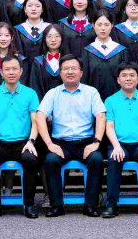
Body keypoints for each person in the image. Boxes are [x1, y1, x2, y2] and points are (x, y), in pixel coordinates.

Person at [37, 55, 106, 216]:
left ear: (81, 73)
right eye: (66, 69)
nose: (70, 72)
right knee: (51, 160)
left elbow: (101, 116)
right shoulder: (53, 93)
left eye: (74, 68)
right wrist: (49, 144)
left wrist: (96, 142)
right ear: (60, 73)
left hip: (86, 142)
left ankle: (91, 205)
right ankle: (56, 206)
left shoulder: (91, 92)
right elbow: (40, 116)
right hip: (61, 143)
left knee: (96, 159)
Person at [0, 55, 41, 219]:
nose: (11, 72)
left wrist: (31, 142)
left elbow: (35, 122)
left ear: (21, 71)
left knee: (30, 159)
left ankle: (29, 204)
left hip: (23, 142)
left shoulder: (30, 93)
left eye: (15, 69)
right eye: (7, 69)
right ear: (1, 72)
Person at [103, 64, 138, 218]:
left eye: (132, 75)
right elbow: (109, 126)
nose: (128, 78)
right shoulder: (110, 100)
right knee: (114, 159)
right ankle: (111, 203)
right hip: (119, 144)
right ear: (118, 80)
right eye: (124, 75)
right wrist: (116, 146)